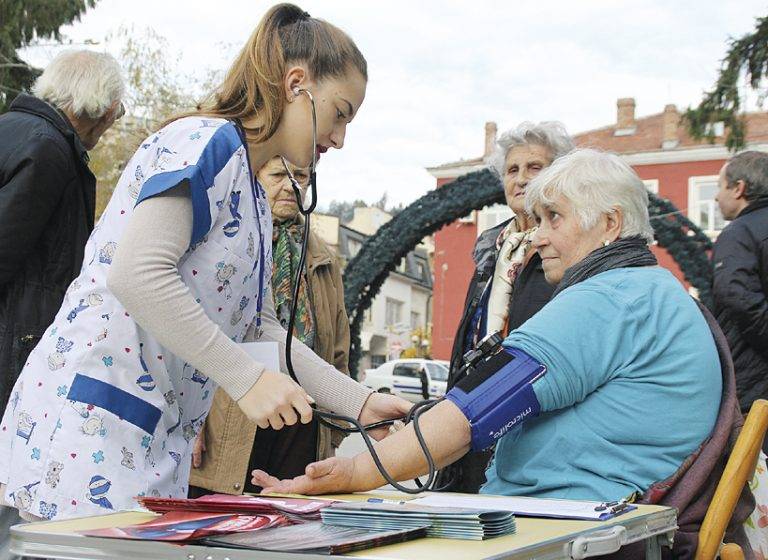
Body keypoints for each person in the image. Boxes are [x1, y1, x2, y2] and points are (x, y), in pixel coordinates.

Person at [0, 3, 409, 522]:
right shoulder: (202, 141)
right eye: (340, 112)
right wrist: (246, 379)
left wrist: (358, 402)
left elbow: (255, 329)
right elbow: (139, 274)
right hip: (90, 432)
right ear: (296, 83)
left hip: (145, 440)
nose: (340, 138)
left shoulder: (255, 197)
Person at [252, 148, 722, 507]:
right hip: (597, 516)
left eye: (553, 217)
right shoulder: (656, 293)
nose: (538, 236)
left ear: (610, 224)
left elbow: (475, 410)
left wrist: (352, 473)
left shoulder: (610, 299)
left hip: (560, 527)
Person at [189, 156, 352, 496]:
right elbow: (192, 331)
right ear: (254, 176)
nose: (292, 186)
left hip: (302, 420)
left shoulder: (322, 258)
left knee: (286, 529)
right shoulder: (224, 240)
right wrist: (191, 421)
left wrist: (334, 430)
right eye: (279, 174)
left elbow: (337, 350)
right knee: (220, 530)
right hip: (232, 417)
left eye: (302, 177)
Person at [439, 121, 574, 493]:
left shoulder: (568, 249)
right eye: (512, 170)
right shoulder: (492, 248)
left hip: (531, 414)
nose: (521, 179)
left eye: (535, 168)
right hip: (474, 405)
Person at [0, 50, 125, 412]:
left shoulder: (10, 128)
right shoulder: (49, 150)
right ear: (102, 109)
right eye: (116, 112)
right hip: (14, 336)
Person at [712, 151, 768, 450]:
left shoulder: (739, 233)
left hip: (752, 383)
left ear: (739, 188)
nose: (717, 198)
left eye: (720, 187)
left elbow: (736, 296)